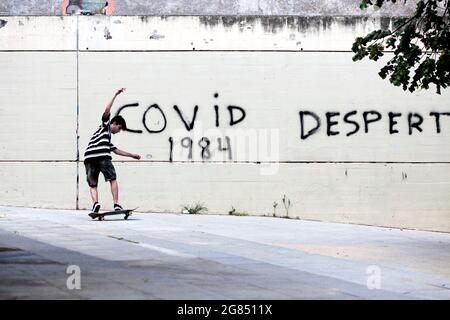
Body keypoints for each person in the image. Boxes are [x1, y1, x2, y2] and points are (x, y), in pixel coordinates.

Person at [84, 88, 140, 213]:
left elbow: (116, 150)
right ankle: (116, 204)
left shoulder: (105, 138)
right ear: (114, 123)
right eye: (119, 128)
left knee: (92, 184)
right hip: (102, 157)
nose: (118, 131)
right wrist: (115, 95)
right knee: (112, 178)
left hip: (88, 157)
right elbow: (107, 110)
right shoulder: (106, 126)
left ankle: (95, 204)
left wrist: (132, 155)